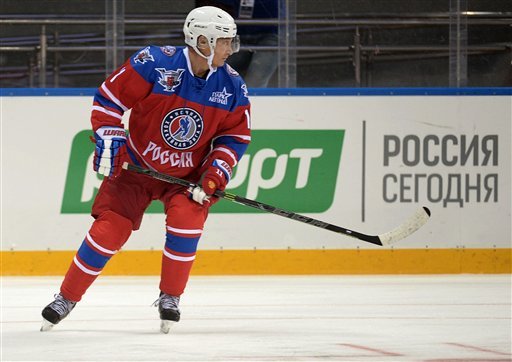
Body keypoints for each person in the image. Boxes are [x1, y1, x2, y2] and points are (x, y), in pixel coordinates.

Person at [40, 6, 251, 334]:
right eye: (224, 41)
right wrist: (110, 137)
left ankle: (171, 297)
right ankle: (66, 297)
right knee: (109, 230)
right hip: (136, 168)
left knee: (187, 220)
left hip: (186, 179)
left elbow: (234, 137)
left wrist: (214, 174)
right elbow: (109, 100)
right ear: (203, 41)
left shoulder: (232, 86)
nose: (230, 48)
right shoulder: (154, 62)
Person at [196, 0, 278, 88]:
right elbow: (215, 8)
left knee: (255, 81)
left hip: (270, 36)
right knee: (217, 75)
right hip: (236, 36)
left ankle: (249, 100)